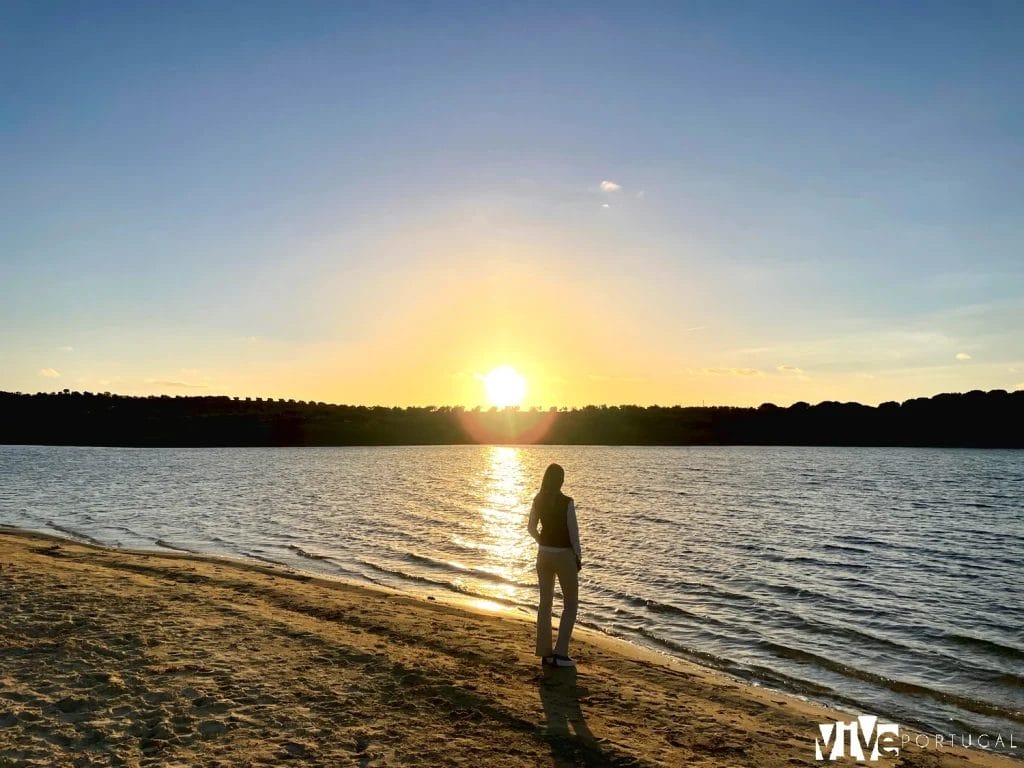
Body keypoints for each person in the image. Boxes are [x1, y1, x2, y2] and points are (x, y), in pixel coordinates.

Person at [527, 462, 582, 668]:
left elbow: (530, 527)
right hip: (564, 555)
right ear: (561, 480)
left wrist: (542, 541)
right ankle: (561, 653)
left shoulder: (538, 500)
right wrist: (578, 557)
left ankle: (545, 652)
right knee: (570, 604)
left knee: (545, 603)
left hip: (544, 556)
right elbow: (573, 534)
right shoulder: (567, 502)